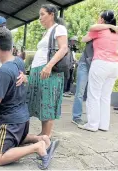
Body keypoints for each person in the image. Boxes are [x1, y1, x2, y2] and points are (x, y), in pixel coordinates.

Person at [0, 26, 59, 170]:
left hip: (11, 122)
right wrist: (25, 78)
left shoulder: (3, 71)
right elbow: (22, 78)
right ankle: (42, 138)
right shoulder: (18, 61)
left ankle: (38, 147)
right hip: (23, 119)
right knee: (12, 140)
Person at [27, 4, 68, 138]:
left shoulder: (59, 28)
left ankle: (47, 137)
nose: (40, 18)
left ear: (52, 14)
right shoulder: (47, 31)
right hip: (39, 70)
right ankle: (43, 134)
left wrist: (49, 66)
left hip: (48, 71)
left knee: (48, 102)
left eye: (42, 14)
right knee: (42, 102)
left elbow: (63, 48)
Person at [78, 10, 118, 132]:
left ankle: (92, 125)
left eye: (99, 18)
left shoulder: (98, 30)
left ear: (102, 20)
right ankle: (103, 125)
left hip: (100, 64)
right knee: (105, 97)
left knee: (94, 95)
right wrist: (111, 26)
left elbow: (83, 39)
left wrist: (104, 27)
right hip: (114, 66)